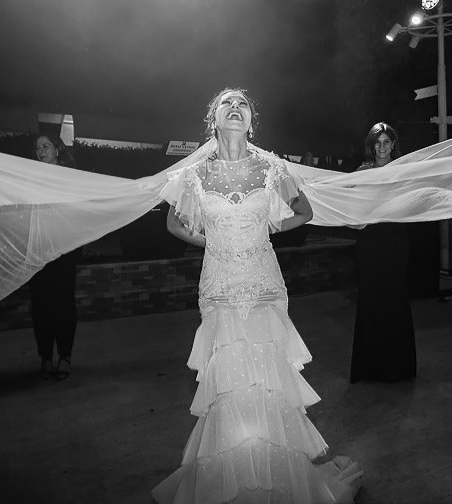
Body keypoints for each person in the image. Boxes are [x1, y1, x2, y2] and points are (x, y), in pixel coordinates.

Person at [152, 88, 362, 504]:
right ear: (213, 119)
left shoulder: (271, 168)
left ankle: (275, 479)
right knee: (229, 387)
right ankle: (232, 480)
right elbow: (174, 225)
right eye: (226, 103)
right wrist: (210, 240)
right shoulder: (193, 176)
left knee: (266, 382)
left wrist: (267, 230)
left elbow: (305, 212)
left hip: (263, 286)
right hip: (220, 288)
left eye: (242, 104)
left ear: (251, 120)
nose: (234, 107)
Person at [349, 122, 416, 383]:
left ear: (393, 145)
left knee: (395, 297)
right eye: (377, 142)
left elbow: (412, 203)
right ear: (371, 145)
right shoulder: (363, 171)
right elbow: (348, 206)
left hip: (395, 240)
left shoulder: (402, 171)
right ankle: (370, 367)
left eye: (386, 142)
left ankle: (398, 366)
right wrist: (356, 222)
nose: (381, 147)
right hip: (369, 242)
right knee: (370, 298)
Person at [28, 133, 80, 380]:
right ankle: (46, 356)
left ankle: (65, 356)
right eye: (37, 147)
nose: (40, 151)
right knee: (40, 304)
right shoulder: (29, 176)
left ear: (57, 149)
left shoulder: (68, 177)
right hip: (38, 249)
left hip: (63, 249)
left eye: (46, 146)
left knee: (63, 303)